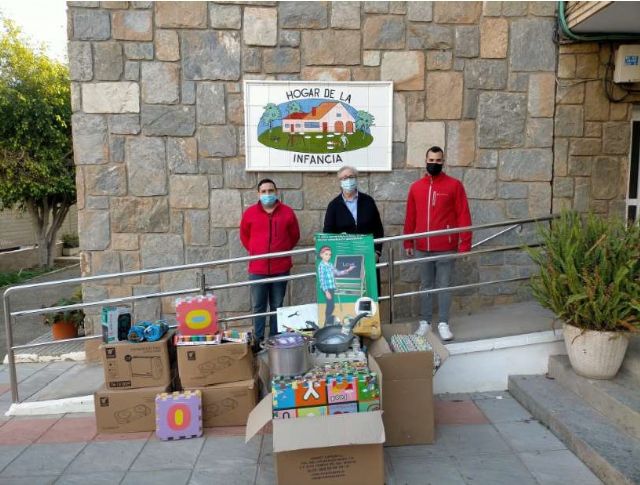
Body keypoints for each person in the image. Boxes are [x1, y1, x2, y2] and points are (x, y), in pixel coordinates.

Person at [403, 146, 472, 341]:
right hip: (422, 247)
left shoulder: (454, 185)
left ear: (443, 162)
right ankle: (425, 322)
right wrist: (408, 241)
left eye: (438, 160)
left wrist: (465, 244)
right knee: (426, 285)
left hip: (445, 246)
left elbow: (463, 215)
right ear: (426, 161)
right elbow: (410, 216)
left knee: (444, 285)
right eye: (431, 160)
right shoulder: (416, 187)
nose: (434, 163)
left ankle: (443, 323)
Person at [240, 178, 300, 346]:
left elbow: (294, 236)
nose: (267, 194)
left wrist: (282, 251)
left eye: (270, 191)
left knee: (277, 305)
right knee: (258, 305)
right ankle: (258, 340)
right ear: (258, 194)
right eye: (264, 191)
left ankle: (274, 338)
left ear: (276, 192)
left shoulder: (287, 212)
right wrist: (256, 252)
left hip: (281, 268)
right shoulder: (250, 213)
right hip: (258, 268)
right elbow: (244, 236)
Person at [323, 165, 384, 290]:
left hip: (368, 256)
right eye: (344, 178)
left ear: (356, 179)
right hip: (344, 259)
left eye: (351, 177)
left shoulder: (368, 201)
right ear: (340, 182)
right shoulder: (333, 206)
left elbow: (378, 228)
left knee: (370, 292)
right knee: (349, 292)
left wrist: (377, 252)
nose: (348, 180)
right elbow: (328, 233)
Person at [317, 246, 356, 326]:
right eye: (326, 254)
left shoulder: (330, 264)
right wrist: (326, 291)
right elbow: (322, 280)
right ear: (321, 255)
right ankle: (327, 323)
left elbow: (338, 273)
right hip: (327, 288)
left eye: (329, 255)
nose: (328, 256)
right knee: (330, 306)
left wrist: (348, 270)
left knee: (331, 306)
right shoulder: (321, 266)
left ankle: (328, 322)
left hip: (332, 288)